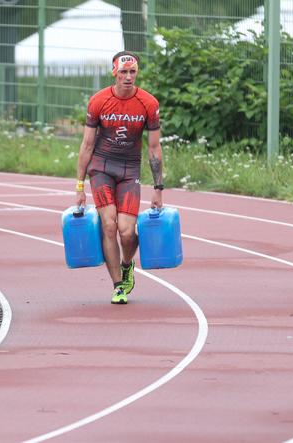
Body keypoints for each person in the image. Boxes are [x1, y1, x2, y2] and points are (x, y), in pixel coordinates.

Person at [75, 50, 164, 304]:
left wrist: (158, 188)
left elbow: (154, 148)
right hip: (101, 168)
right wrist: (79, 186)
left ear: (137, 73)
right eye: (123, 72)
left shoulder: (148, 103)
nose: (128, 77)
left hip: (129, 170)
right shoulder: (98, 101)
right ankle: (117, 286)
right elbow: (87, 145)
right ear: (114, 72)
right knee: (109, 224)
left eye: (132, 72)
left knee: (126, 232)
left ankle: (127, 265)